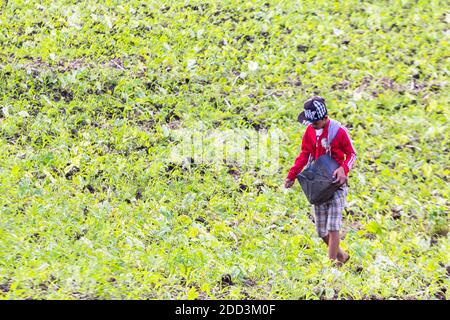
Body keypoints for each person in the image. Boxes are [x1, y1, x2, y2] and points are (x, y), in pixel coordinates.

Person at [285, 96, 357, 267]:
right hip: (318, 184)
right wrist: (292, 174)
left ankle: (330, 266)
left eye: (315, 123)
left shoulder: (338, 131)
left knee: (333, 226)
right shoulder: (310, 132)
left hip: (336, 184)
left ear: (325, 118)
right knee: (321, 230)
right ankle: (342, 256)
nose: (312, 126)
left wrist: (344, 169)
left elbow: (352, 154)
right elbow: (304, 155)